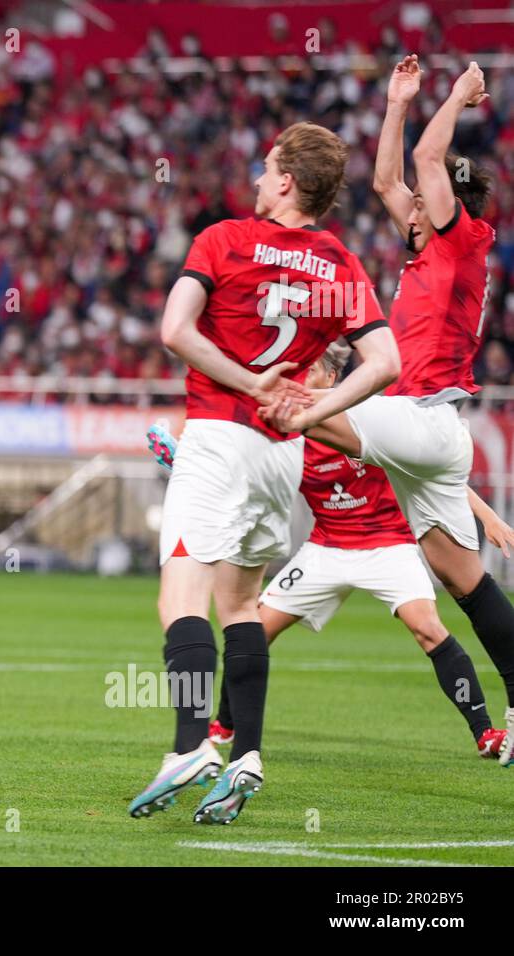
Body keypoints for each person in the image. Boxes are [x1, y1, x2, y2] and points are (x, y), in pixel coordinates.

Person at [129, 121, 401, 825]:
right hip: (283, 455)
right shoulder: (338, 262)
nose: (256, 178)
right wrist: (312, 409)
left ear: (285, 181)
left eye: (265, 168)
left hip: (219, 434)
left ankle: (192, 743)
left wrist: (251, 385)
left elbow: (176, 333)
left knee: (180, 596)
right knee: (242, 606)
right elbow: (385, 363)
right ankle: (245, 753)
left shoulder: (222, 239)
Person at [265, 59, 514, 767]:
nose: (403, 208)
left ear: (445, 203)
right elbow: (384, 179)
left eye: (419, 202)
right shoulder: (432, 250)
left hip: (423, 416)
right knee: (467, 583)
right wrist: (397, 100)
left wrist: (459, 95)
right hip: (426, 435)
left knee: (299, 404)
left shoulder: (460, 236)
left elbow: (431, 159)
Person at [150, 340, 513, 758]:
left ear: (332, 377)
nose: (300, 378)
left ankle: (484, 731)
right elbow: (246, 473)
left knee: (428, 629)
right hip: (325, 547)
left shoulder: (365, 420)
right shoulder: (291, 428)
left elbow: (433, 470)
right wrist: (191, 463)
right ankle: (225, 724)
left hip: (387, 545)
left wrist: (486, 516)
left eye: (309, 370)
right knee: (254, 626)